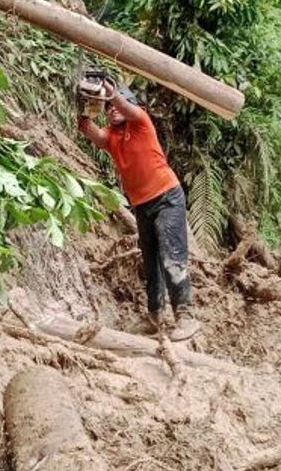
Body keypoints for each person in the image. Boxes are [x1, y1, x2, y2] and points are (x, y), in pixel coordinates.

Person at [77, 81, 200, 341]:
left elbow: (129, 110)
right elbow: (92, 133)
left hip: (167, 197)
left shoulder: (141, 122)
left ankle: (186, 316)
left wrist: (113, 95)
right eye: (109, 107)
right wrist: (84, 109)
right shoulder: (112, 135)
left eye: (119, 103)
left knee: (171, 255)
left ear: (135, 105)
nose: (112, 109)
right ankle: (155, 315)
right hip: (142, 204)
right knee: (151, 261)